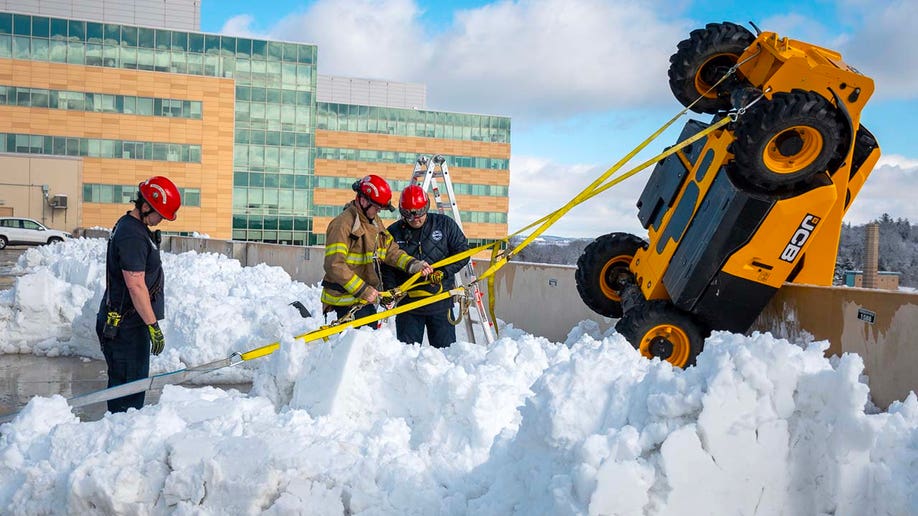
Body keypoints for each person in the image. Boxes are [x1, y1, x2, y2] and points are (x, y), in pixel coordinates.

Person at [95, 176, 181, 413]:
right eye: (160, 214)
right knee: (128, 398)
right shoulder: (132, 235)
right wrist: (153, 325)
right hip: (127, 328)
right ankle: (122, 442)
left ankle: (121, 436)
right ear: (145, 207)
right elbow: (136, 286)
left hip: (129, 324)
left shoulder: (134, 227)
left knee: (128, 390)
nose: (162, 219)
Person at [321, 174, 433, 328]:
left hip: (363, 298)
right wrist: (363, 290)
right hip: (345, 300)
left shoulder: (373, 221)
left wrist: (414, 265)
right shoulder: (343, 224)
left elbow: (390, 251)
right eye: (377, 207)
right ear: (363, 200)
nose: (379, 211)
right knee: (358, 347)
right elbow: (334, 265)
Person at [382, 185, 470, 348]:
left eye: (419, 213)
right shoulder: (393, 232)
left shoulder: (444, 225)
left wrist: (443, 272)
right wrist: (389, 290)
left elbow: (463, 252)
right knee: (407, 358)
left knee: (444, 355)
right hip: (408, 306)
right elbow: (387, 266)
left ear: (427, 207)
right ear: (403, 211)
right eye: (409, 214)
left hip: (440, 304)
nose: (415, 218)